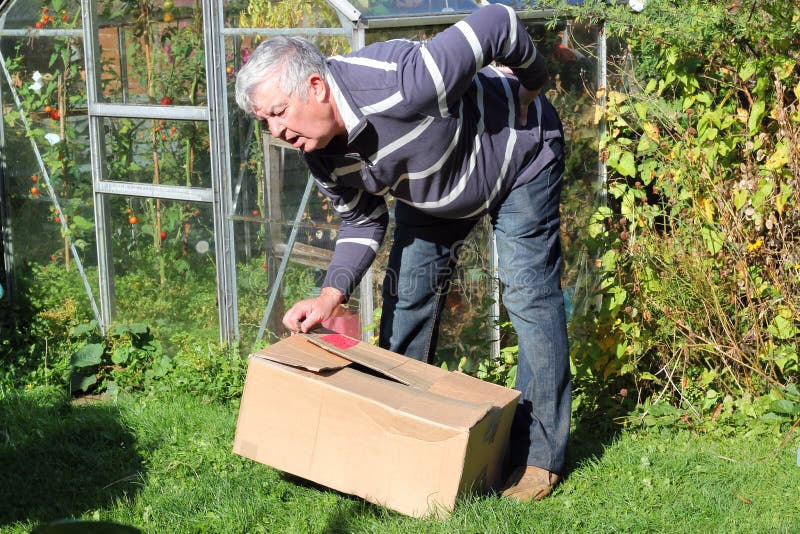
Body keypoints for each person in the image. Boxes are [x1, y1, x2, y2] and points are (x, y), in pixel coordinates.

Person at [235, 3, 570, 502]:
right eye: (266, 122)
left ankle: (538, 458)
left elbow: (498, 20)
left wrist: (532, 84)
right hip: (434, 189)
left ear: (316, 87)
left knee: (528, 298)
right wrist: (329, 296)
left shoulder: (403, 79)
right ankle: (397, 434)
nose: (276, 133)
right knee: (408, 300)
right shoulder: (320, 152)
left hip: (519, 158)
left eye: (278, 114)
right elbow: (363, 219)